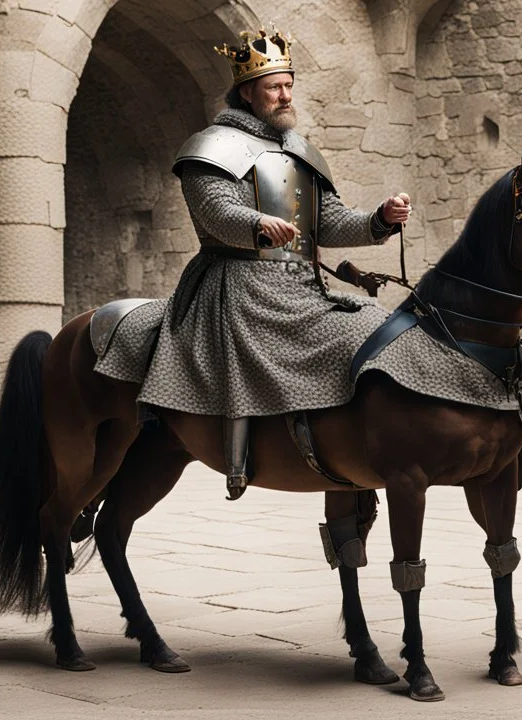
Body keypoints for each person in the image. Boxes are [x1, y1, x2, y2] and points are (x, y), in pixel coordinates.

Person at [136, 29, 412, 500]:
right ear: (248, 92)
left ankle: (346, 443)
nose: (285, 96)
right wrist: (258, 223)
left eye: (289, 85)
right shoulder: (211, 147)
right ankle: (247, 451)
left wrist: (378, 220)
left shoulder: (298, 150)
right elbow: (217, 213)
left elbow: (328, 223)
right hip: (237, 283)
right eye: (274, 88)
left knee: (378, 324)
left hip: (301, 286)